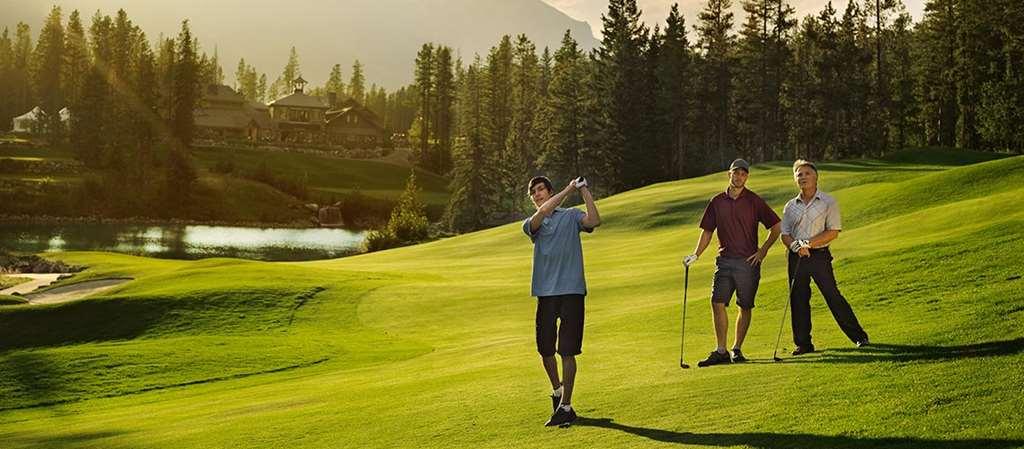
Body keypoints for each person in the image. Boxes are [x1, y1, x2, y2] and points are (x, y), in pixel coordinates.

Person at [685, 159, 781, 367]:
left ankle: (736, 349)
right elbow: (707, 231)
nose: (739, 177)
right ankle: (721, 351)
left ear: (747, 177)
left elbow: (776, 227)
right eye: (735, 173)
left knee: (745, 306)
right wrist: (696, 255)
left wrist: (762, 251)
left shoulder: (754, 201)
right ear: (728, 175)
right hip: (725, 261)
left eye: (743, 174)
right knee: (716, 302)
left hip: (748, 263)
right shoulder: (717, 201)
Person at [523, 175, 600, 427]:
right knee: (545, 351)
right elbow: (544, 211)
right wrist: (569, 189)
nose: (537, 195)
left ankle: (566, 406)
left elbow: (594, 220)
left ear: (549, 190)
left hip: (572, 292)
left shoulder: (571, 216)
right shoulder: (532, 223)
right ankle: (557, 390)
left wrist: (584, 190)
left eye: (540, 189)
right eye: (533, 192)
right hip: (545, 294)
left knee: (567, 351)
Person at [780, 159, 869, 355]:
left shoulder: (828, 201)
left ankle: (859, 337)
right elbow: (784, 233)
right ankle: (803, 344)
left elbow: (833, 232)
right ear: (795, 179)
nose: (802, 177)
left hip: (819, 256)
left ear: (816, 177)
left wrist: (807, 244)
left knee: (832, 295)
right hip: (796, 258)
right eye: (799, 174)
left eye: (807, 173)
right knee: (798, 300)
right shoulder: (789, 206)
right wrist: (795, 245)